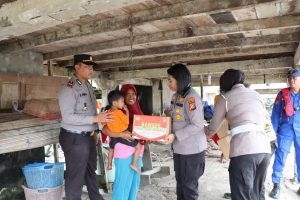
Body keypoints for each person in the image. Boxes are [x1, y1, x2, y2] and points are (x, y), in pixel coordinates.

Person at [206, 69, 271, 200]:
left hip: (244, 152)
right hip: (264, 150)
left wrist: (203, 131)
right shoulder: (256, 95)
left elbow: (213, 128)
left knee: (242, 195)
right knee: (256, 193)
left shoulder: (225, 98)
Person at [58, 54, 113, 200]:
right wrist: (95, 119)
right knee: (75, 176)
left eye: (92, 67)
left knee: (91, 171)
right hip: (74, 137)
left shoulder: (88, 85)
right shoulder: (69, 88)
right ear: (76, 67)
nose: (91, 69)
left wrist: (94, 130)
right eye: (87, 66)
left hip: (88, 136)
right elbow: (68, 117)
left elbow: (90, 110)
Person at [165, 63, 206, 200]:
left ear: (179, 79)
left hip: (192, 152)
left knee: (189, 189)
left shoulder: (191, 98)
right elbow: (176, 118)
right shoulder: (176, 96)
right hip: (180, 150)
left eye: (170, 80)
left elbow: (198, 124)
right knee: (180, 185)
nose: (168, 84)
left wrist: (175, 135)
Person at [102, 84, 144, 200]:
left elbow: (144, 129)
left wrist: (148, 137)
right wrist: (121, 134)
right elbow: (105, 129)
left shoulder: (138, 110)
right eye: (127, 94)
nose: (131, 97)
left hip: (137, 150)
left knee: (134, 182)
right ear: (122, 98)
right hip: (123, 150)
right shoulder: (114, 113)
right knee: (123, 182)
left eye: (133, 94)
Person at [269, 68, 300, 199]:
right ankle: (276, 186)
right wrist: (272, 133)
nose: (292, 80)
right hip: (285, 130)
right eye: (290, 78)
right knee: (280, 157)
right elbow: (275, 114)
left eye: (295, 78)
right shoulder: (282, 94)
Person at [102, 90, 142, 173]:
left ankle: (109, 164)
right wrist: (127, 111)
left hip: (113, 137)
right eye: (122, 101)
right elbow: (126, 123)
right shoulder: (119, 112)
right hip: (123, 136)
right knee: (138, 146)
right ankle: (134, 164)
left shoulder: (108, 113)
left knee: (111, 149)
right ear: (115, 103)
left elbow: (103, 122)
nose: (123, 103)